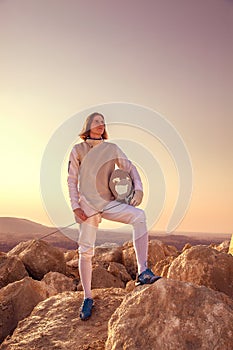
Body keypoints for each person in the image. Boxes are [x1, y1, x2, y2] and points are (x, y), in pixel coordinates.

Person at [67, 112, 161, 321]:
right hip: (87, 206)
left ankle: (143, 272)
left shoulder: (111, 148)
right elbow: (72, 180)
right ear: (88, 126)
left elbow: (130, 167)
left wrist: (138, 190)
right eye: (97, 121)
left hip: (109, 203)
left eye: (103, 122)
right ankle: (88, 297)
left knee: (139, 216)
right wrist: (75, 206)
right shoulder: (78, 150)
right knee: (86, 251)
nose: (101, 124)